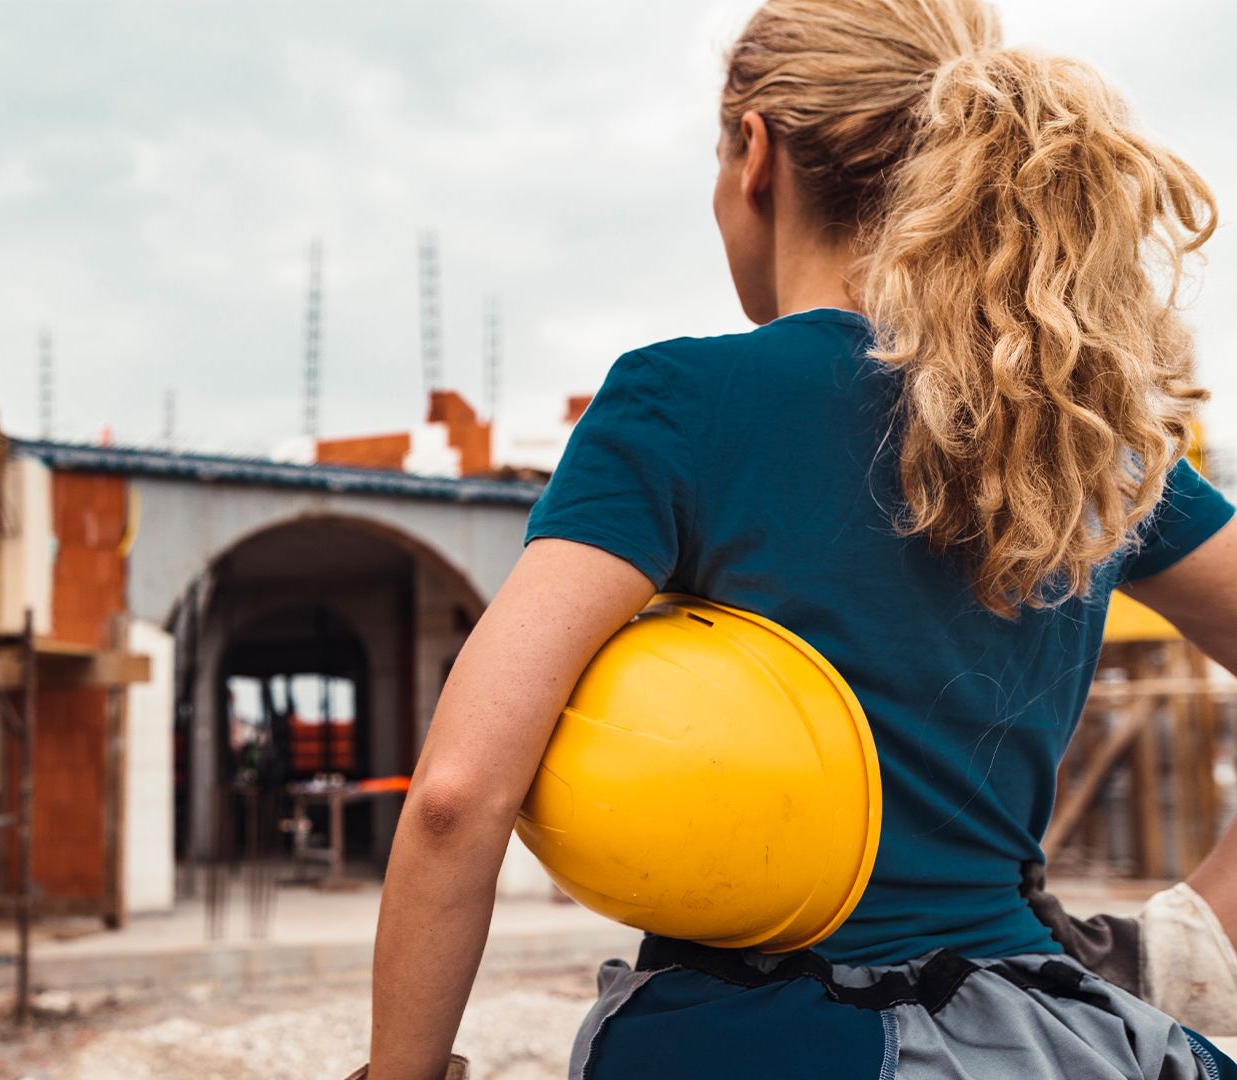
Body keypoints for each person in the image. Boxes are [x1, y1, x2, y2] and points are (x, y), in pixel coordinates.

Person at [364, 0, 1237, 1076]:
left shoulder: (681, 401)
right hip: (1051, 1035)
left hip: (754, 1041)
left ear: (757, 150)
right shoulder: (1070, 425)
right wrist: (1197, 937)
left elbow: (456, 798)